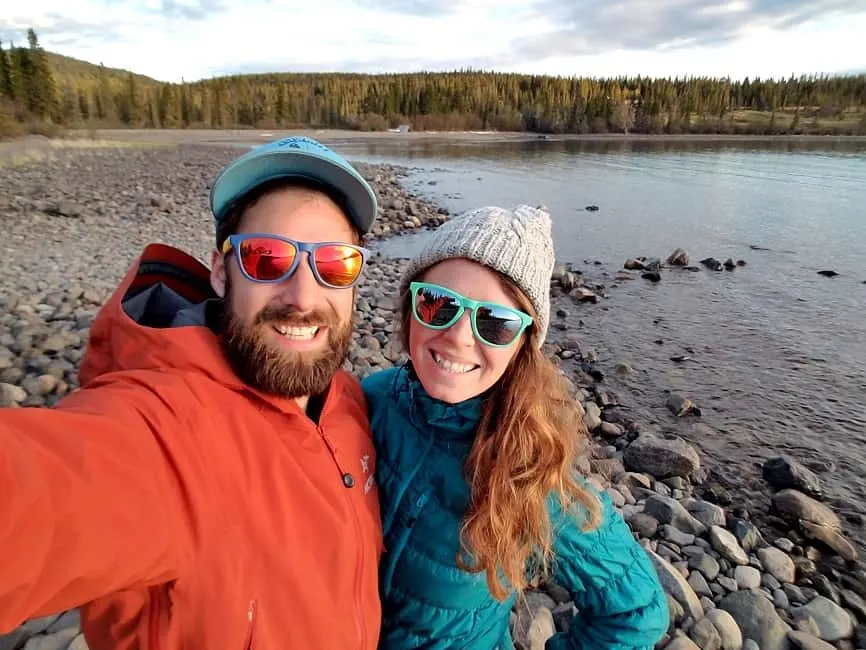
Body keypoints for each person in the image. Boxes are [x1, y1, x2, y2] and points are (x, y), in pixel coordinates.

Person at [0, 136, 384, 650]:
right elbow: (35, 495)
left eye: (336, 264)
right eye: (267, 259)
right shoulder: (164, 432)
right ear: (221, 273)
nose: (303, 298)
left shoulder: (349, 403)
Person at [361, 205, 669, 649]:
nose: (459, 336)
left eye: (495, 323)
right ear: (410, 308)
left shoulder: (530, 472)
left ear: (524, 344)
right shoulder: (370, 400)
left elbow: (636, 612)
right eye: (438, 304)